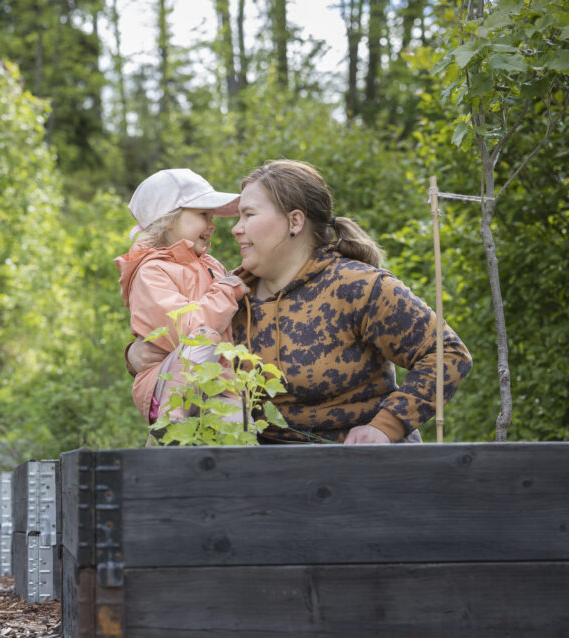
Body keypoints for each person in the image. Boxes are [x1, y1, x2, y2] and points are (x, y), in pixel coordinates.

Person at [126, 160, 473, 444]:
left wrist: (386, 427)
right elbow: (174, 330)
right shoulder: (229, 294)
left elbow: (447, 354)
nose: (233, 229)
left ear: (294, 221)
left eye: (248, 215)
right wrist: (135, 355)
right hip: (262, 488)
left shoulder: (356, 286)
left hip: (363, 478)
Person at [116, 168, 249, 434]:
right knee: (204, 338)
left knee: (241, 431)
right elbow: (184, 330)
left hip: (216, 381)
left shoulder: (211, 265)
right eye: (203, 215)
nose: (212, 225)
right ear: (168, 218)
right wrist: (227, 290)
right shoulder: (151, 271)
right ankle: (168, 415)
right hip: (166, 381)